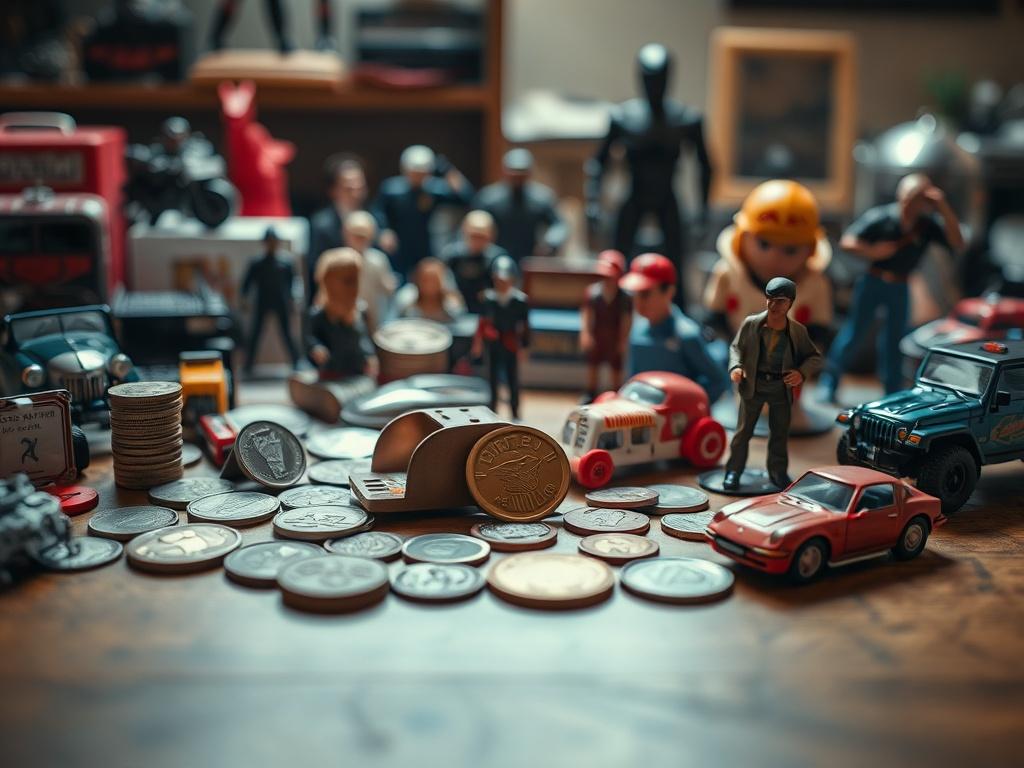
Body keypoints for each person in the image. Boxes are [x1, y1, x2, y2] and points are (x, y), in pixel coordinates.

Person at [585, 43, 712, 302]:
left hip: (667, 195)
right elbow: (598, 162)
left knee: (677, 265)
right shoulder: (623, 118)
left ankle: (679, 318)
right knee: (617, 260)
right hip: (634, 194)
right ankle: (612, 309)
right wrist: (593, 202)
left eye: (659, 79)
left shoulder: (685, 119)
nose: (654, 85)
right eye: (649, 79)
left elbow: (705, 165)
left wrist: (703, 210)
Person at [820, 174, 965, 400]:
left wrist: (942, 205)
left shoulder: (926, 226)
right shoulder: (881, 217)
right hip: (873, 281)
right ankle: (829, 383)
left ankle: (892, 392)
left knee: (894, 340)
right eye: (906, 196)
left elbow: (957, 242)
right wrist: (872, 252)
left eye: (915, 198)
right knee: (854, 333)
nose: (908, 202)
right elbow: (848, 242)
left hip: (900, 285)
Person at [722, 278, 823, 492]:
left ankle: (777, 472)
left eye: (780, 301)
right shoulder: (751, 324)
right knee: (743, 433)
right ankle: (733, 471)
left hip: (780, 388)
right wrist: (736, 367)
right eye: (769, 299)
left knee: (779, 434)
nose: (773, 306)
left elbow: (814, 357)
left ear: (790, 303)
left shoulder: (797, 331)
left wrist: (800, 373)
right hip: (753, 385)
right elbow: (736, 348)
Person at [704, 180, 832, 346]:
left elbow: (819, 332)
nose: (774, 256)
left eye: (790, 250)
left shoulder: (815, 285)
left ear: (810, 249)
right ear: (741, 238)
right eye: (764, 244)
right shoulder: (727, 274)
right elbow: (713, 319)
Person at [619, 253, 729, 403]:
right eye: (635, 294)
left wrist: (690, 409)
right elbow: (632, 377)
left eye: (645, 294)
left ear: (669, 292)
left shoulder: (686, 335)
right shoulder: (636, 330)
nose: (638, 302)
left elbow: (718, 380)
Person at [371, 145, 474, 278]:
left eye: (423, 173)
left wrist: (448, 171)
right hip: (398, 246)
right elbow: (378, 212)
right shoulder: (392, 189)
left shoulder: (433, 190)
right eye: (415, 173)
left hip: (424, 244)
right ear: (405, 170)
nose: (419, 177)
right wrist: (383, 231)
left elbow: (465, 197)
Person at [472, 148, 568, 262]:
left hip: (530, 258)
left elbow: (559, 225)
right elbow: (471, 225)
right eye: (514, 171)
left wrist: (550, 241)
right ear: (505, 171)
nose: (517, 176)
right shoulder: (489, 198)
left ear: (530, 172)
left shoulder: (541, 198)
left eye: (522, 171)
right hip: (494, 259)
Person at [308, 155, 374, 304]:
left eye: (360, 187)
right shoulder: (322, 225)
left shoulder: (375, 219)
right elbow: (316, 268)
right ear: (333, 190)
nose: (356, 193)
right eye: (349, 188)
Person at [306, 248, 378, 381]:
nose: (353, 287)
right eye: (347, 281)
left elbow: (366, 339)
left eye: (355, 280)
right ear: (329, 282)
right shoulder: (320, 315)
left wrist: (370, 357)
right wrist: (317, 349)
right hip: (332, 375)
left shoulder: (361, 311)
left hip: (358, 374)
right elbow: (310, 339)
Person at [473, 256, 530, 420]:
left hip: (511, 343)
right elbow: (482, 322)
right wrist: (478, 343)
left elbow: (524, 326)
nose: (502, 283)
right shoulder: (488, 299)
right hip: (493, 343)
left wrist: (524, 346)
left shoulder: (520, 301)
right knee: (492, 379)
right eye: (498, 280)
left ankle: (515, 412)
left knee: (513, 379)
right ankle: (492, 411)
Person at [241, 227, 300, 374]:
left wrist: (294, 298)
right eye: (269, 241)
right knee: (255, 333)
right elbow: (246, 283)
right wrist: (244, 299)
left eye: (274, 241)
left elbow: (294, 282)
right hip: (263, 301)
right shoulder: (257, 263)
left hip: (281, 301)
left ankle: (297, 362)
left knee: (287, 333)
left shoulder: (286, 262)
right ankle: (248, 365)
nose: (272, 244)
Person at [580, 250, 632, 402]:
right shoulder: (593, 293)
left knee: (616, 368)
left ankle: (616, 394)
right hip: (598, 335)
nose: (607, 280)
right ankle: (591, 393)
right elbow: (587, 314)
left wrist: (623, 340)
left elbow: (626, 319)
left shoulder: (624, 297)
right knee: (593, 366)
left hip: (614, 336)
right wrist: (586, 334)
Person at [440, 210, 507, 314]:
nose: (477, 241)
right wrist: (450, 294)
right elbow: (442, 281)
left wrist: (492, 295)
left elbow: (506, 289)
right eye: (474, 235)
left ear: (492, 235)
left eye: (482, 236)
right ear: (464, 231)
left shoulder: (499, 259)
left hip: (488, 312)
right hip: (455, 312)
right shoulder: (451, 256)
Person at [342, 210, 397, 333]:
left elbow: (388, 290)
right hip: (345, 318)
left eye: (364, 235)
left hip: (373, 318)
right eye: (356, 235)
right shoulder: (338, 260)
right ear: (346, 234)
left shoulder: (378, 260)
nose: (360, 239)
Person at [393, 258, 465, 324]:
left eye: (434, 280)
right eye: (425, 280)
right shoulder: (406, 303)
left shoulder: (452, 305)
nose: (430, 285)